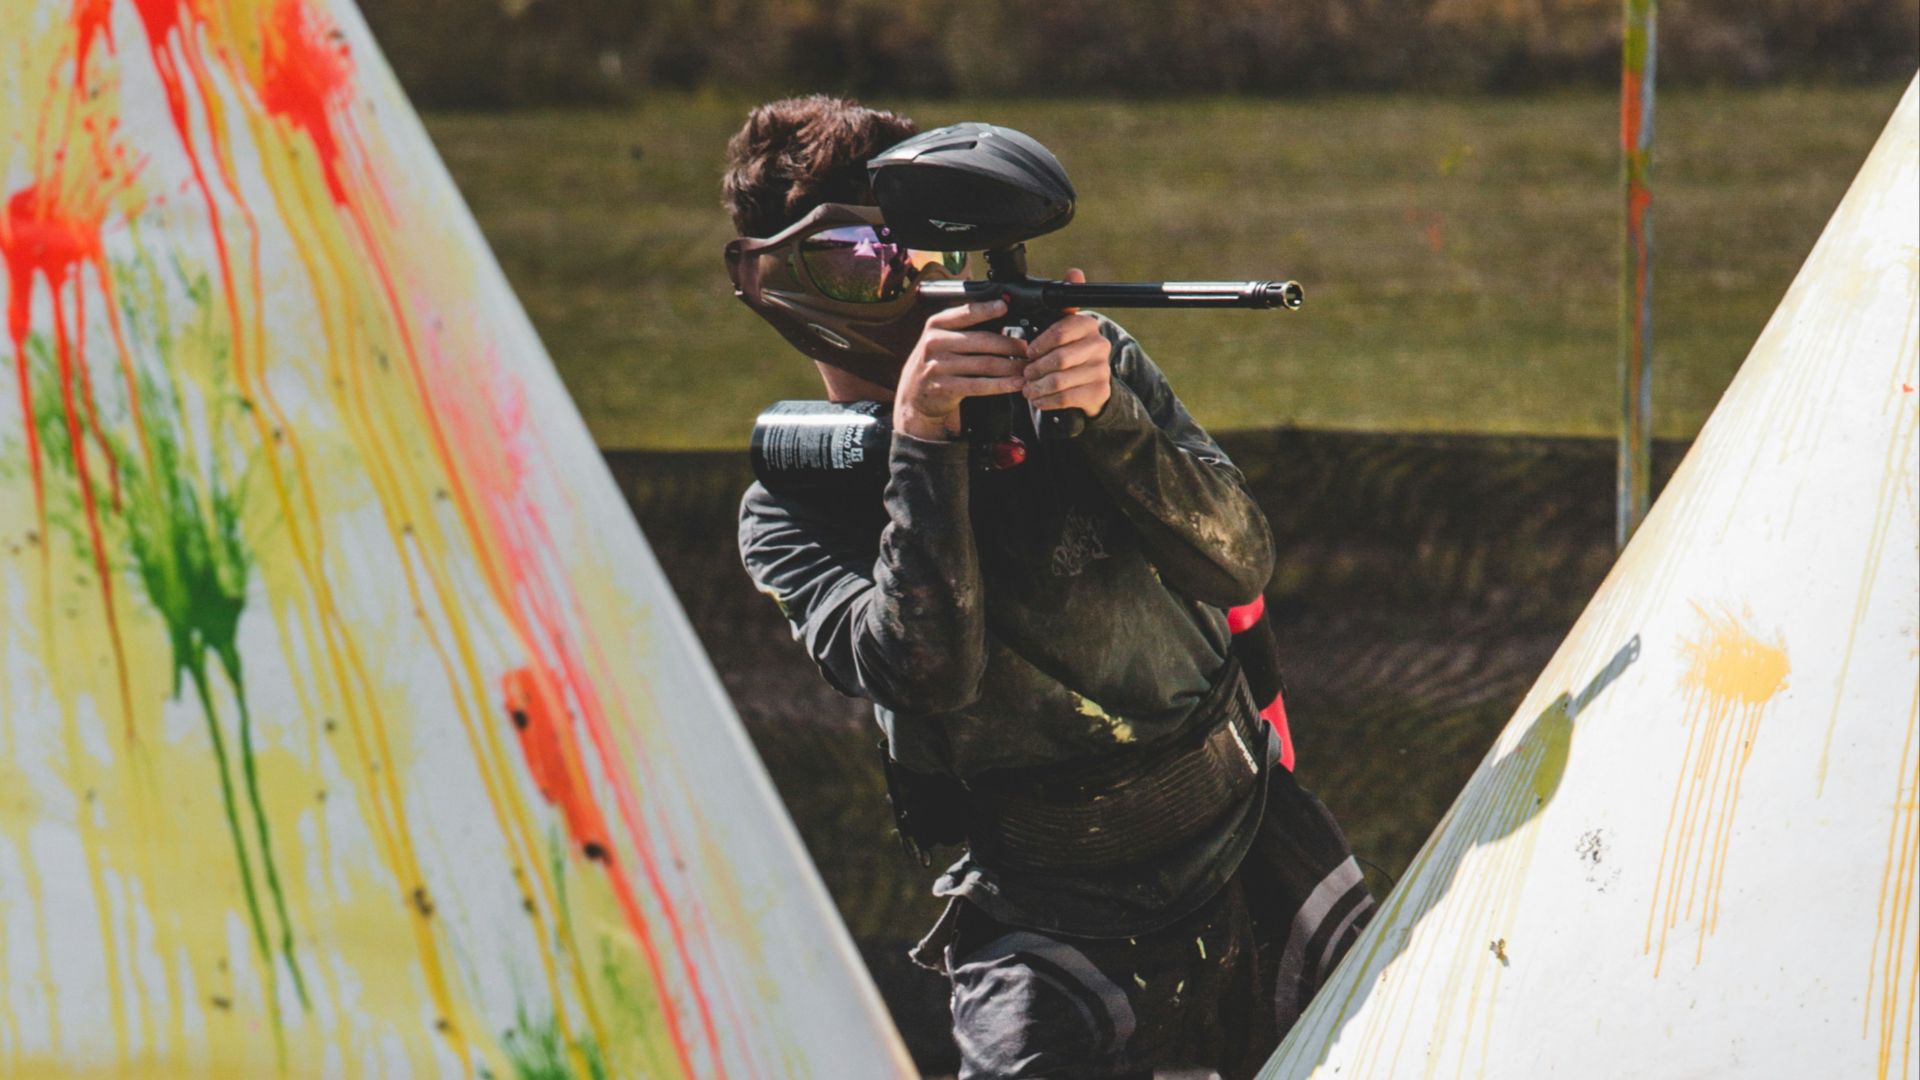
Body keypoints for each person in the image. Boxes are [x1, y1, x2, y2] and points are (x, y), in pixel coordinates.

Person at [725, 95, 1373, 1079]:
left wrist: (1107, 414)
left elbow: (1237, 558)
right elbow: (926, 668)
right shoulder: (790, 510)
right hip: (1044, 923)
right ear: (776, 280)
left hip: (1252, 854)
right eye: (863, 259)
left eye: (918, 249)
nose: (908, 281)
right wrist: (925, 448)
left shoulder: (1082, 362)